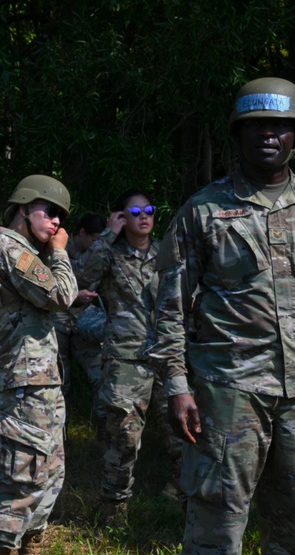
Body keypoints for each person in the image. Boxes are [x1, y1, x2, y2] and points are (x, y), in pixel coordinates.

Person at [149, 76, 295, 554]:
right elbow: (168, 306)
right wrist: (177, 386)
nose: (267, 135)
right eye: (255, 126)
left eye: (279, 125)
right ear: (237, 135)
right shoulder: (203, 211)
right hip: (229, 391)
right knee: (217, 525)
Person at [0, 175, 78, 555]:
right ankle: (3, 545)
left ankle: (29, 544)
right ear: (23, 207)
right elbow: (60, 294)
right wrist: (62, 251)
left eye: (61, 217)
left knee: (48, 471)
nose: (56, 223)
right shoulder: (10, 251)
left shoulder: (23, 254)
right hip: (23, 380)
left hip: (38, 379)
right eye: (49, 211)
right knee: (23, 474)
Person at [78, 190, 181, 523]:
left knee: (180, 434)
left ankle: (184, 499)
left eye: (149, 209)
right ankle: (114, 510)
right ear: (121, 217)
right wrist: (108, 234)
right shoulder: (110, 252)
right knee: (124, 439)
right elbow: (81, 279)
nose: (144, 216)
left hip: (167, 357)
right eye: (134, 211)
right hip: (125, 360)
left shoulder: (167, 251)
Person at [53, 213, 105, 438]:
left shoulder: (100, 253)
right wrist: (75, 296)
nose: (97, 245)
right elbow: (47, 288)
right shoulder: (56, 248)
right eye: (94, 239)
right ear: (82, 233)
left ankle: (108, 440)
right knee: (59, 383)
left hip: (85, 323)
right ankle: (59, 441)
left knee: (101, 377)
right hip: (58, 322)